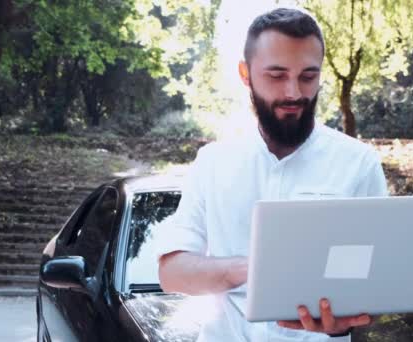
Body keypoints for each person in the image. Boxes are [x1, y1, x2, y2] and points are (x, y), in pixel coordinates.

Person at [155, 7, 388, 342]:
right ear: (245, 73)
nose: (293, 93)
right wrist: (254, 268)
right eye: (277, 76)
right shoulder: (213, 162)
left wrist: (346, 323)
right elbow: (172, 273)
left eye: (308, 76)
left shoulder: (359, 162)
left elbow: (378, 279)